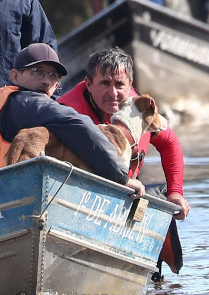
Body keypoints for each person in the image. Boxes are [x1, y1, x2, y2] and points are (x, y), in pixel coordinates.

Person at [0, 43, 146, 197]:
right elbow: (79, 126)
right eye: (37, 71)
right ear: (15, 75)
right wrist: (121, 177)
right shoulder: (28, 101)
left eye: (53, 75)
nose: (46, 81)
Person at [58, 47, 189, 220]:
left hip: (129, 192)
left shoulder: (142, 108)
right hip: (78, 196)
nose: (113, 93)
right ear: (89, 84)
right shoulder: (66, 112)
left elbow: (170, 143)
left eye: (119, 84)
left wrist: (176, 193)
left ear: (130, 84)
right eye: (104, 83)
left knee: (167, 196)